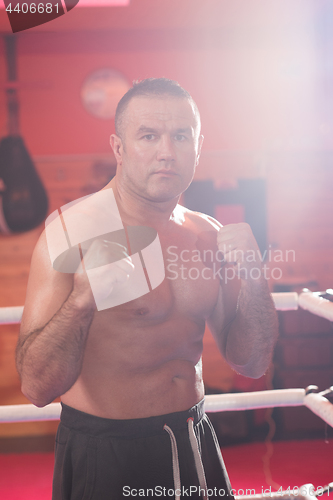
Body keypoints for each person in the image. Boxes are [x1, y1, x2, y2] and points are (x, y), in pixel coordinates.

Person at [16, 78, 278, 500]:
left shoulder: (207, 234)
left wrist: (254, 274)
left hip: (194, 438)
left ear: (198, 145)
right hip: (106, 451)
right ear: (119, 148)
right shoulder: (70, 234)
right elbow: (36, 387)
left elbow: (250, 362)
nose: (166, 152)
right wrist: (84, 298)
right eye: (149, 136)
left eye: (180, 136)